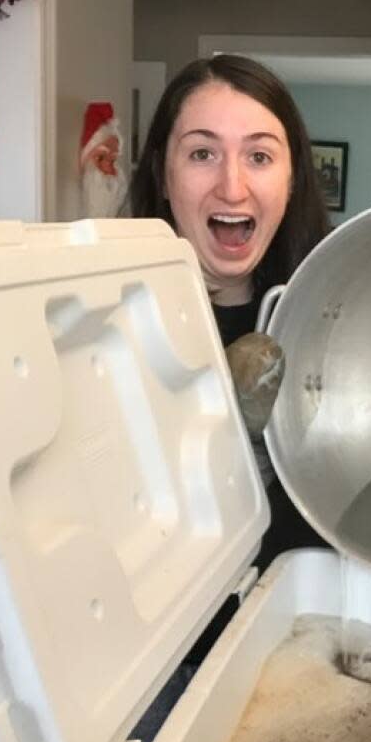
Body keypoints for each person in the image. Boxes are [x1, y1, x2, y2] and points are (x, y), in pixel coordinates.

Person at [127, 53, 331, 571]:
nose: (233, 187)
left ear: (291, 178)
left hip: (297, 627)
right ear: (162, 171)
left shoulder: (335, 321)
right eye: (202, 154)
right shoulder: (108, 329)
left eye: (259, 157)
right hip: (169, 643)